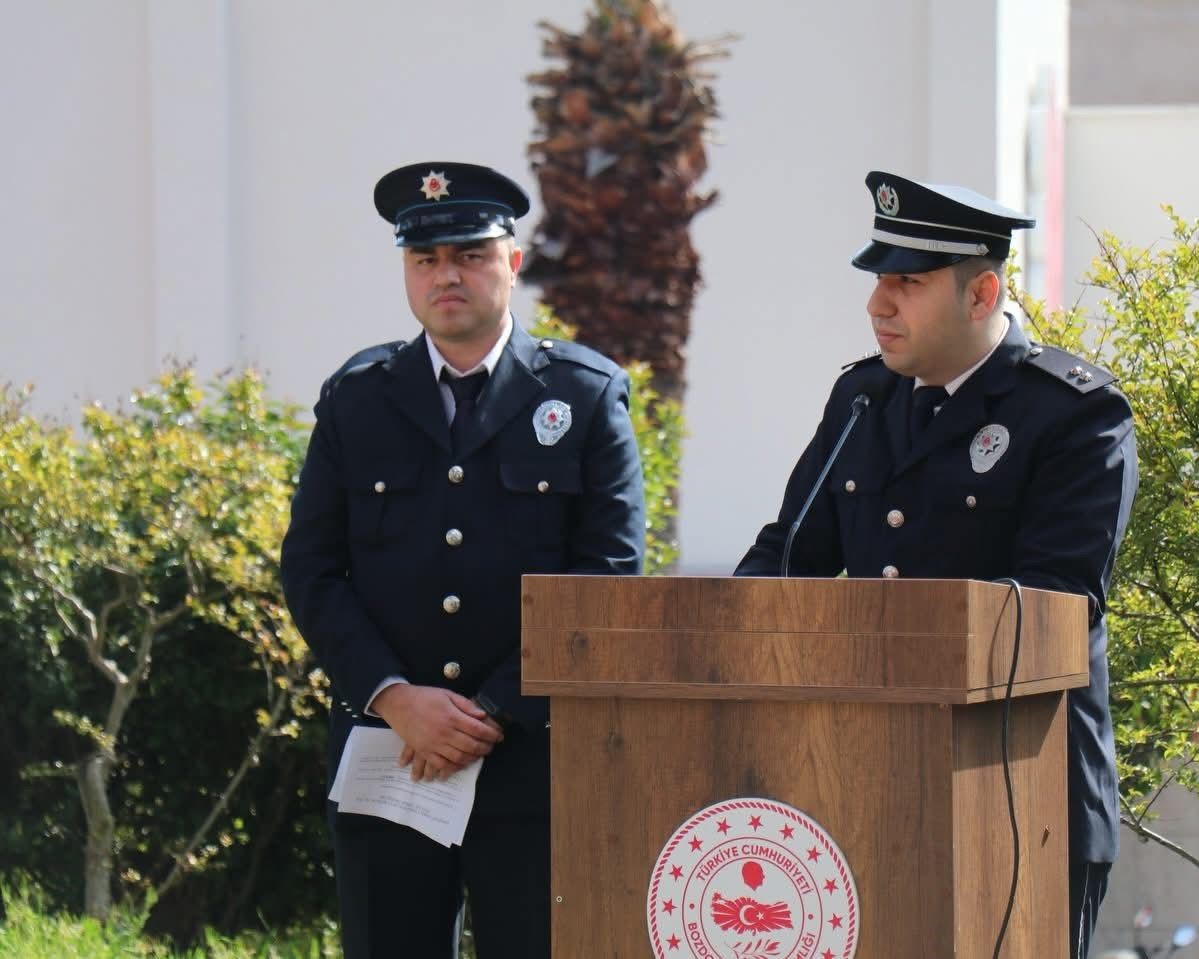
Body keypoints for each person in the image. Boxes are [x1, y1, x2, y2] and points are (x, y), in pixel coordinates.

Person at [735, 171, 1137, 959]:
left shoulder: (1075, 414)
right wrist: (728, 633)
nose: (878, 304)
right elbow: (790, 553)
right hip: (861, 785)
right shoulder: (862, 399)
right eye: (879, 280)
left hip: (1021, 796)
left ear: (982, 293)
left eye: (907, 283)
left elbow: (1054, 606)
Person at [280, 161, 646, 958]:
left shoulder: (584, 396)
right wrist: (394, 696)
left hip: (534, 758)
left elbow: (608, 574)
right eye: (425, 261)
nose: (447, 275)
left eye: (470, 255)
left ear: (512, 264)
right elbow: (311, 568)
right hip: (390, 753)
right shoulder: (358, 398)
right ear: (407, 274)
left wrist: (491, 711)